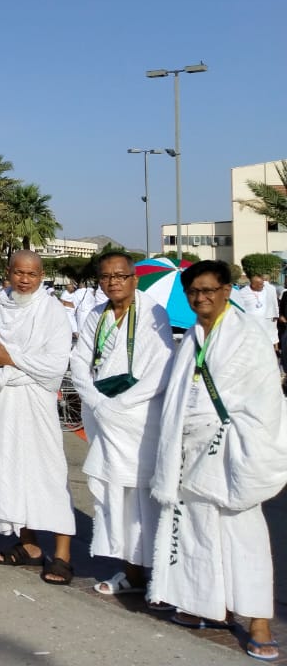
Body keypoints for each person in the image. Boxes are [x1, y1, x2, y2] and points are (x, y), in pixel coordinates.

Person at [149, 261, 287, 659]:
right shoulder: (191, 338)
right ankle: (209, 606)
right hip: (191, 451)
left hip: (231, 450)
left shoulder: (248, 335)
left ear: (226, 290)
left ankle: (259, 622)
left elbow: (264, 399)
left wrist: (223, 431)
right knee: (198, 531)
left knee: (243, 536)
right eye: (194, 292)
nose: (201, 298)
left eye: (208, 290)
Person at [0, 251, 77, 585]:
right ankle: (29, 545)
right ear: (8, 272)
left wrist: (9, 359)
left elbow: (55, 365)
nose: (25, 280)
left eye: (31, 274)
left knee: (48, 474)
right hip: (2, 400)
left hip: (34, 400)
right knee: (13, 471)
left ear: (41, 276)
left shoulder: (52, 311)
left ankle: (63, 555)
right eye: (19, 273)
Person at [69, 251, 174, 595]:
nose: (113, 282)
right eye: (106, 277)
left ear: (134, 279)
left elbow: (161, 370)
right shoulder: (96, 315)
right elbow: (79, 362)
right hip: (104, 417)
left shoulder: (153, 314)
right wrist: (99, 403)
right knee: (116, 498)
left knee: (146, 500)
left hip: (139, 421)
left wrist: (120, 405)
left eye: (120, 276)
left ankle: (162, 581)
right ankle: (131, 573)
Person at [234, 272, 280, 344]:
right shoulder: (243, 292)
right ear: (253, 285)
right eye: (261, 284)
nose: (263, 286)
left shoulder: (264, 290)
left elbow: (273, 301)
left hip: (264, 324)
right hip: (251, 327)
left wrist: (276, 313)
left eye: (263, 283)